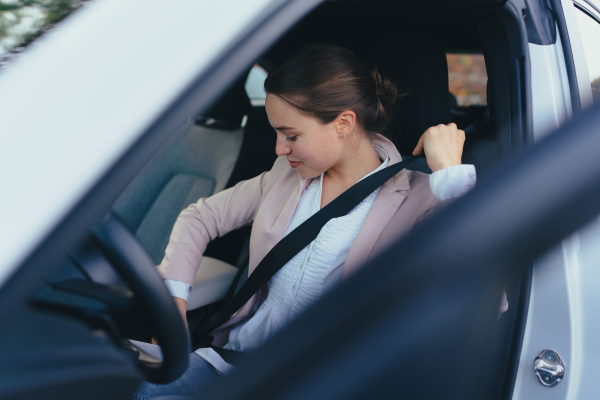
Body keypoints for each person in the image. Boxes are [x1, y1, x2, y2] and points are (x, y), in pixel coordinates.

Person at [131, 43, 484, 400]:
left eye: (291, 135)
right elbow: (200, 216)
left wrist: (450, 175)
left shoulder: (421, 196)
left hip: (320, 380)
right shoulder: (285, 174)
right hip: (234, 362)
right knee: (121, 383)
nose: (279, 149)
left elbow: (483, 289)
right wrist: (172, 309)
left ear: (343, 124)